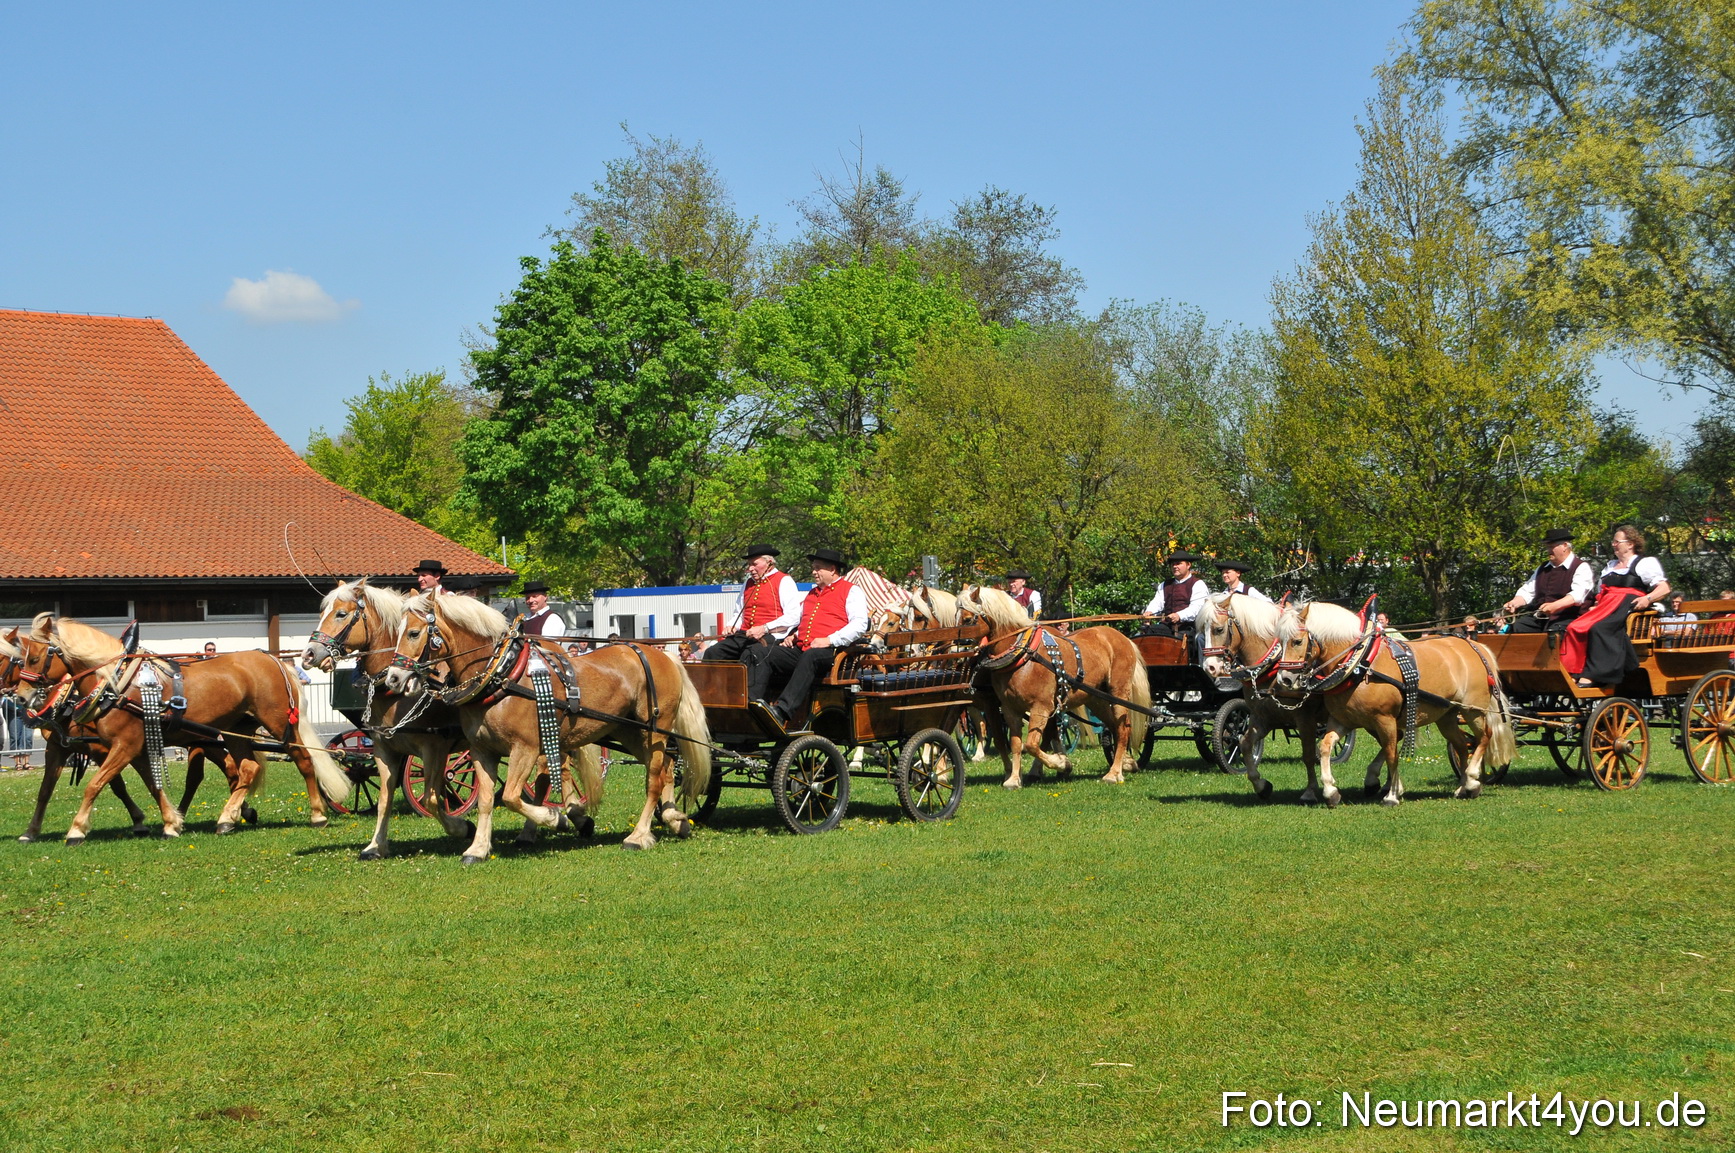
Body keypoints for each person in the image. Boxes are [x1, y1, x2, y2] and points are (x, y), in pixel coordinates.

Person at [748, 548, 868, 732]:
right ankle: (754, 706)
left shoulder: (851, 591)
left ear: (833, 570)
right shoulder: (812, 594)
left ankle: (782, 710)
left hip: (833, 653)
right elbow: (804, 620)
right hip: (804, 649)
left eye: (818, 568)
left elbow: (860, 624)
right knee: (760, 653)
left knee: (810, 656)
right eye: (813, 568)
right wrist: (794, 634)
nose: (814, 572)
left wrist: (829, 639)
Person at [1563, 524, 1670, 687]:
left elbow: (1664, 588)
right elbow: (1601, 592)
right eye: (1613, 541)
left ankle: (1596, 674)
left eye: (1617, 541)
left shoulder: (1644, 563)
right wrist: (1596, 604)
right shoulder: (1610, 566)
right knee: (1575, 627)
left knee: (1600, 628)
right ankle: (1575, 670)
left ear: (1630, 544)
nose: (1613, 544)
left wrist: (1647, 599)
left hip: (1627, 605)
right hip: (1607, 605)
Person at [706, 545, 802, 664]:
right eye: (749, 564)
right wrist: (732, 626)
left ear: (769, 563)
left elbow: (794, 616)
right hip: (745, 635)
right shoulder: (748, 583)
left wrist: (764, 628)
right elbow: (739, 613)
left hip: (771, 635)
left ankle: (749, 683)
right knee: (713, 652)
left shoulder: (784, 580)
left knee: (751, 654)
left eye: (754, 564)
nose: (750, 568)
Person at [1502, 528, 1592, 634]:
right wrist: (1514, 603)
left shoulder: (1581, 567)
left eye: (1551, 546)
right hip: (1541, 618)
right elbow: (1527, 591)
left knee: (1554, 632)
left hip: (1568, 618)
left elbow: (1577, 596)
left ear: (1564, 546)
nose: (1548, 550)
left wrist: (1554, 606)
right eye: (1547, 546)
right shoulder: (1543, 568)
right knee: (1518, 627)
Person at [1140, 551, 1209, 638]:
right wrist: (1149, 612)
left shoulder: (1198, 584)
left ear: (1188, 565)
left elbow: (1197, 608)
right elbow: (1157, 602)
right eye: (1173, 564)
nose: (1175, 566)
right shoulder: (1164, 584)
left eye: (1178, 564)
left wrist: (1179, 615)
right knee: (1148, 633)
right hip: (1167, 626)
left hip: (1189, 627)